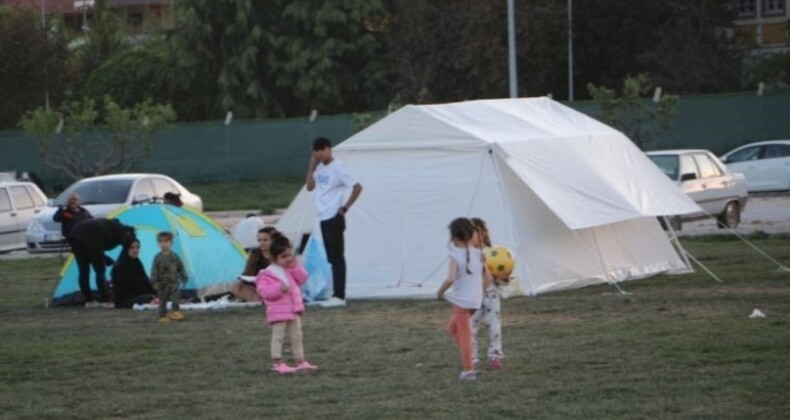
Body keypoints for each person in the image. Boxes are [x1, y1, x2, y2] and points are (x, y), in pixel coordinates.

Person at [305, 136, 363, 308]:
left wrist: (345, 207)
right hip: (323, 217)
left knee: (337, 257)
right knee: (331, 257)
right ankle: (336, 293)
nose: (320, 153)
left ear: (330, 149)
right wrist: (312, 167)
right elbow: (309, 186)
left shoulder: (338, 168)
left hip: (334, 217)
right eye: (317, 150)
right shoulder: (319, 168)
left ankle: (339, 295)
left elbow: (357, 186)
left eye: (323, 149)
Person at [437, 218, 491, 381]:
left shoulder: (455, 256)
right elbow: (488, 278)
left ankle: (469, 369)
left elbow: (450, 279)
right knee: (452, 329)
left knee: (464, 333)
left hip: (461, 302)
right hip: (474, 302)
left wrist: (440, 292)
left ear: (454, 237)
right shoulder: (479, 254)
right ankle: (471, 359)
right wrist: (477, 292)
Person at [256, 236, 318, 374]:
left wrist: (295, 266)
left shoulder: (290, 269)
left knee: (297, 336)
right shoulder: (266, 274)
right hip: (278, 312)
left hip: (293, 310)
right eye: (284, 256)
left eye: (290, 255)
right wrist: (278, 288)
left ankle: (300, 361)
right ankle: (277, 363)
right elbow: (264, 292)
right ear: (274, 257)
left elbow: (302, 278)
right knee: (278, 336)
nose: (288, 259)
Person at [68, 218, 137, 308]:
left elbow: (95, 250)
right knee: (100, 270)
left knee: (83, 271)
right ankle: (106, 301)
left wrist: (109, 260)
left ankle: (89, 301)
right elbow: (96, 250)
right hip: (91, 233)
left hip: (75, 231)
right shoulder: (124, 232)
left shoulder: (112, 226)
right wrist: (113, 262)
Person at [470, 217, 507, 370]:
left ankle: (495, 356)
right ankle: (472, 357)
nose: (476, 236)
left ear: (484, 233)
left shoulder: (493, 253)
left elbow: (500, 277)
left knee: (494, 327)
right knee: (470, 328)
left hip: (491, 295)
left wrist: (503, 277)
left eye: (478, 232)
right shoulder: (467, 254)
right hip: (472, 298)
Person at [230, 226, 281, 302]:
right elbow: (248, 273)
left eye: (265, 240)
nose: (262, 243)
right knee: (237, 287)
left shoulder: (280, 254)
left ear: (273, 241)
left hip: (275, 285)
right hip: (256, 285)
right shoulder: (255, 253)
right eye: (259, 240)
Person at [150, 231, 188, 323]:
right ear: (158, 243)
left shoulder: (174, 256)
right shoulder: (157, 258)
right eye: (161, 241)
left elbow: (180, 267)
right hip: (162, 283)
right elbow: (154, 270)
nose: (163, 244)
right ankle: (162, 315)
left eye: (166, 241)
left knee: (176, 297)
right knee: (163, 299)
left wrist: (184, 277)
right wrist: (154, 282)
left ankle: (175, 312)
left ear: (171, 243)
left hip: (174, 281)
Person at [110, 239, 157, 309]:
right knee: (149, 298)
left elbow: (145, 281)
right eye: (132, 247)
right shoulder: (119, 266)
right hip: (125, 300)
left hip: (141, 295)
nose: (136, 250)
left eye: (137, 247)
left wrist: (156, 293)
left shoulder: (137, 262)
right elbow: (130, 286)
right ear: (126, 249)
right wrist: (151, 295)